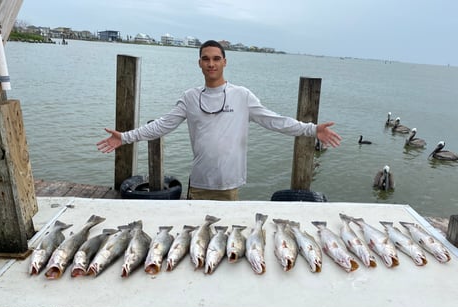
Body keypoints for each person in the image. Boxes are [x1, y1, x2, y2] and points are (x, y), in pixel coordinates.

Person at [97, 40, 341, 201]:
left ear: (225, 61)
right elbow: (162, 125)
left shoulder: (242, 96)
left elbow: (275, 121)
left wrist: (312, 129)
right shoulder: (190, 97)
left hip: (229, 186)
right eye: (206, 58)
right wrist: (125, 137)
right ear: (199, 63)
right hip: (200, 184)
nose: (211, 63)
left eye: (216, 58)